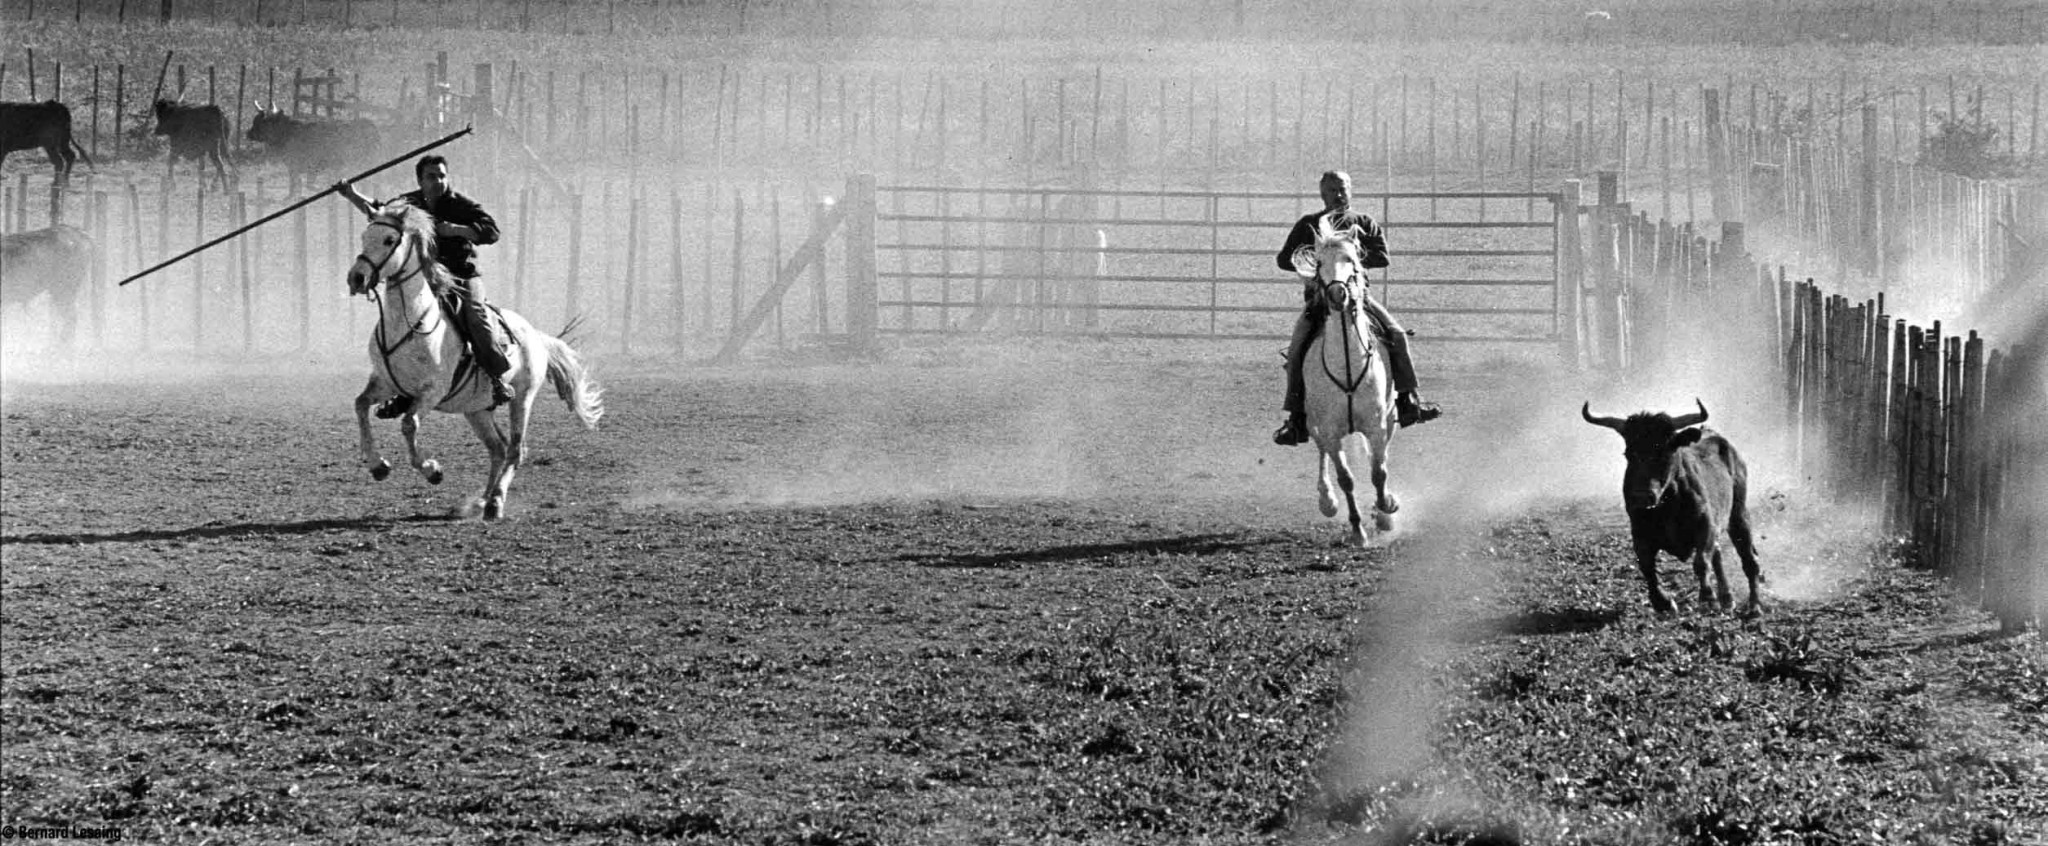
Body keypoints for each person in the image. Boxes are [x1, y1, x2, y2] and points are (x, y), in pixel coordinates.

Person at [1272, 170, 1442, 446]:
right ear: (1321, 193)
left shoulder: (1363, 222)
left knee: (1396, 335)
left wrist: (1351, 256)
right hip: (1320, 303)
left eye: (1342, 189)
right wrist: (1315, 261)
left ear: (1350, 190)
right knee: (1297, 350)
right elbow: (1283, 260)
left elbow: (1382, 257)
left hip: (1359, 299)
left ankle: (1409, 400)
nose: (1337, 195)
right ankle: (1295, 418)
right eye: (1331, 191)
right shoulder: (1308, 225)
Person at [337, 155, 510, 414]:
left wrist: (456, 230)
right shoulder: (409, 204)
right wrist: (351, 194)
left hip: (463, 276)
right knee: (406, 323)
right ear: (420, 180)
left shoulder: (462, 204)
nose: (438, 181)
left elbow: (491, 231)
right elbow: (380, 211)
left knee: (475, 317)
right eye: (432, 176)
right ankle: (404, 390)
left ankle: (497, 379)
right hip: (427, 277)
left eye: (442, 175)